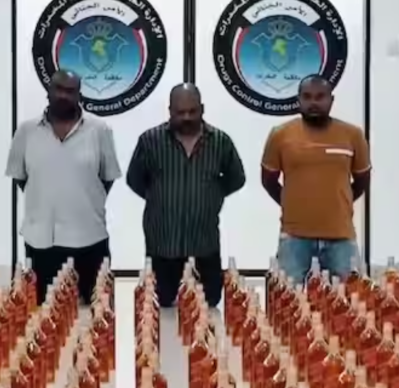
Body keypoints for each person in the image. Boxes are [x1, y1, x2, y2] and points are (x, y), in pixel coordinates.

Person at [5, 70, 121, 305]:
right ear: (48, 91)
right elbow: (21, 177)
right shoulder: (26, 132)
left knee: (97, 311)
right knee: (45, 314)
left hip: (89, 239)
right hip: (41, 242)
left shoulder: (99, 130)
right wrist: (48, 197)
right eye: (58, 89)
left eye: (70, 91)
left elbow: (107, 178)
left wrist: (82, 197)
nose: (63, 96)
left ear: (79, 95)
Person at [126, 83, 246, 307]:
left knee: (208, 305)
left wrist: (211, 196)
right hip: (163, 244)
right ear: (170, 111)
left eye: (192, 111)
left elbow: (237, 178)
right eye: (180, 112)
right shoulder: (150, 141)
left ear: (202, 109)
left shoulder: (220, 142)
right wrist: (160, 198)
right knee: (162, 306)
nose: (187, 117)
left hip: (204, 244)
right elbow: (135, 179)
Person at [261, 74, 371, 285]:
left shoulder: (353, 135)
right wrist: (292, 204)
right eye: (307, 97)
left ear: (331, 100)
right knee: (287, 300)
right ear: (298, 100)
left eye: (320, 97)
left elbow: (362, 180)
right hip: (294, 237)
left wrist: (339, 203)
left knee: (348, 300)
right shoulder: (280, 135)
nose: (313, 103)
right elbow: (268, 180)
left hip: (341, 237)